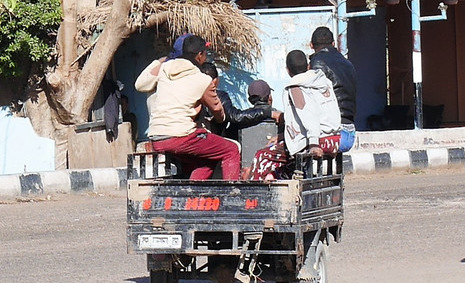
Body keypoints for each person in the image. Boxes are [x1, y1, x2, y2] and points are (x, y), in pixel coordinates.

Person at [134, 34, 241, 181]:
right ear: (199, 56)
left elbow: (141, 84)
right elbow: (217, 110)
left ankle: (190, 198)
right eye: (205, 54)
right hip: (181, 136)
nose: (206, 57)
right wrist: (221, 118)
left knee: (207, 160)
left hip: (157, 136)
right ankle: (232, 195)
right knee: (231, 150)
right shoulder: (203, 80)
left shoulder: (164, 68)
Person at [246, 49, 344, 181]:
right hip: (334, 138)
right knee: (284, 160)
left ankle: (254, 198)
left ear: (287, 70)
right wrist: (283, 136)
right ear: (308, 66)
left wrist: (313, 143)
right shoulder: (323, 81)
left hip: (315, 140)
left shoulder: (296, 86)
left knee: (261, 156)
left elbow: (309, 115)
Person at [309, 26, 362, 132]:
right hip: (349, 123)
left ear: (311, 45)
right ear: (333, 44)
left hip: (328, 125)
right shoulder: (348, 64)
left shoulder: (315, 64)